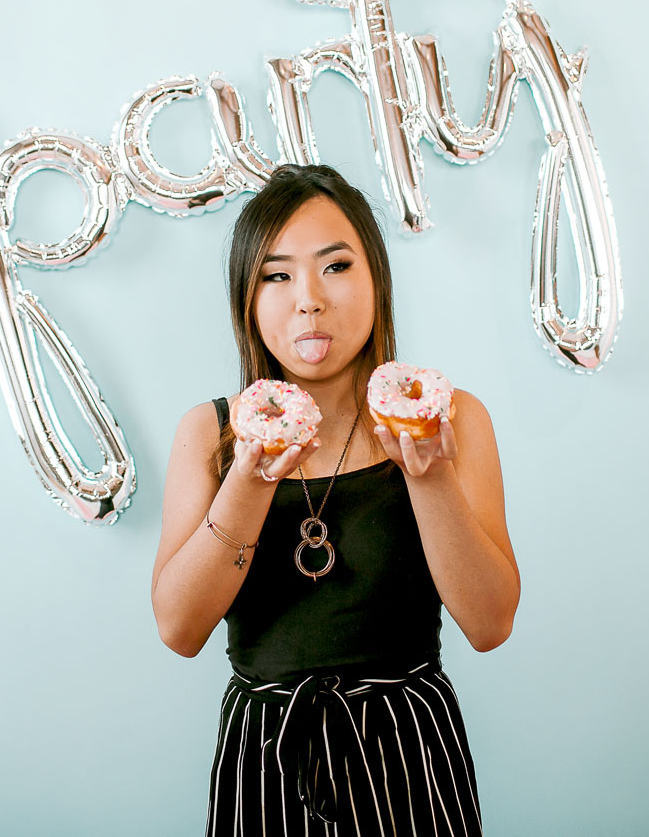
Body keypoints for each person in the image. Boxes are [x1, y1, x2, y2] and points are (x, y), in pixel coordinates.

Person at [151, 164, 520, 836]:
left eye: (337, 266)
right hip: (265, 751)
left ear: (377, 280)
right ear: (247, 298)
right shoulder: (209, 432)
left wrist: (428, 476)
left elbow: (490, 623)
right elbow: (179, 628)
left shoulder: (452, 420)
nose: (309, 300)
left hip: (408, 746)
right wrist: (251, 477)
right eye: (278, 275)